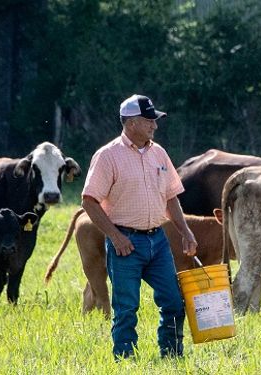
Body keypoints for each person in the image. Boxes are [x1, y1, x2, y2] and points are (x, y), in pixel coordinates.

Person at [81, 94, 198, 360]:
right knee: (125, 308)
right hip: (126, 244)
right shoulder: (107, 156)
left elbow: (170, 196)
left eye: (154, 121)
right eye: (149, 121)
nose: (154, 126)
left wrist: (186, 232)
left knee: (173, 301)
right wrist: (115, 236)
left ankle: (171, 355)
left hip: (157, 241)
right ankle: (125, 360)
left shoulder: (159, 153)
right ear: (131, 123)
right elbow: (89, 201)